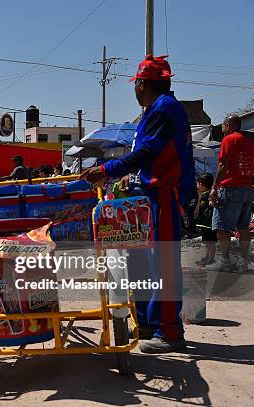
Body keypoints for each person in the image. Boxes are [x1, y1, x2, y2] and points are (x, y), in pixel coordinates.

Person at [81, 54, 195, 353]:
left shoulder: (163, 109)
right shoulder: (156, 109)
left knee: (164, 264)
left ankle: (169, 332)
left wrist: (106, 170)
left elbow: (145, 154)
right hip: (149, 193)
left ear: (143, 84)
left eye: (136, 84)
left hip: (165, 193)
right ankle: (146, 321)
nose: (135, 89)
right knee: (142, 261)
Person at [210, 114, 253, 273]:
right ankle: (243, 262)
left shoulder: (228, 139)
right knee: (243, 228)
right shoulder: (249, 142)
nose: (222, 129)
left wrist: (215, 187)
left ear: (228, 125)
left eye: (222, 126)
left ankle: (225, 261)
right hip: (247, 189)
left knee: (222, 227)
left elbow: (223, 164)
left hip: (230, 189)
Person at [195, 173, 217, 266]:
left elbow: (212, 205)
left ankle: (211, 258)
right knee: (206, 242)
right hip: (204, 223)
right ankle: (206, 256)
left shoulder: (209, 195)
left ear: (201, 184)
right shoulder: (204, 194)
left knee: (211, 242)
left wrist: (212, 202)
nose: (197, 186)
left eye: (197, 183)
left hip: (209, 223)